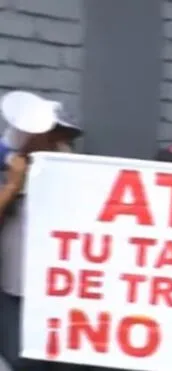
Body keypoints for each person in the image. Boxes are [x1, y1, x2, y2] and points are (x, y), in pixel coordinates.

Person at [0, 92, 84, 371]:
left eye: (66, 138)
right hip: (15, 292)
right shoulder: (11, 172)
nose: (62, 144)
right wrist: (12, 187)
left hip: (58, 292)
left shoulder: (68, 172)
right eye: (56, 135)